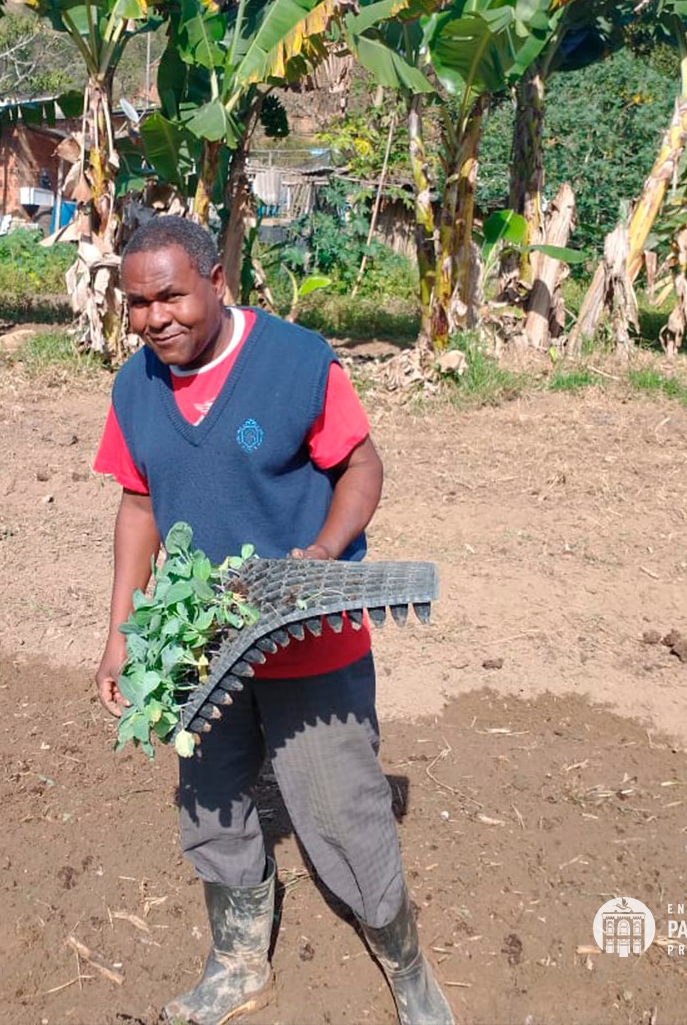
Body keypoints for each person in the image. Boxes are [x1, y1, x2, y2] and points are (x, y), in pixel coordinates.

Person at [91, 216, 456, 1025]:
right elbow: (139, 501)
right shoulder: (135, 386)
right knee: (211, 801)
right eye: (139, 304)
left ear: (216, 279)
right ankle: (237, 964)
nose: (157, 319)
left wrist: (324, 551)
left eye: (173, 296)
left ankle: (407, 968)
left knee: (341, 814)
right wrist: (120, 631)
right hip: (200, 646)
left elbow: (361, 463)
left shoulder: (295, 362)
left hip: (308, 642)